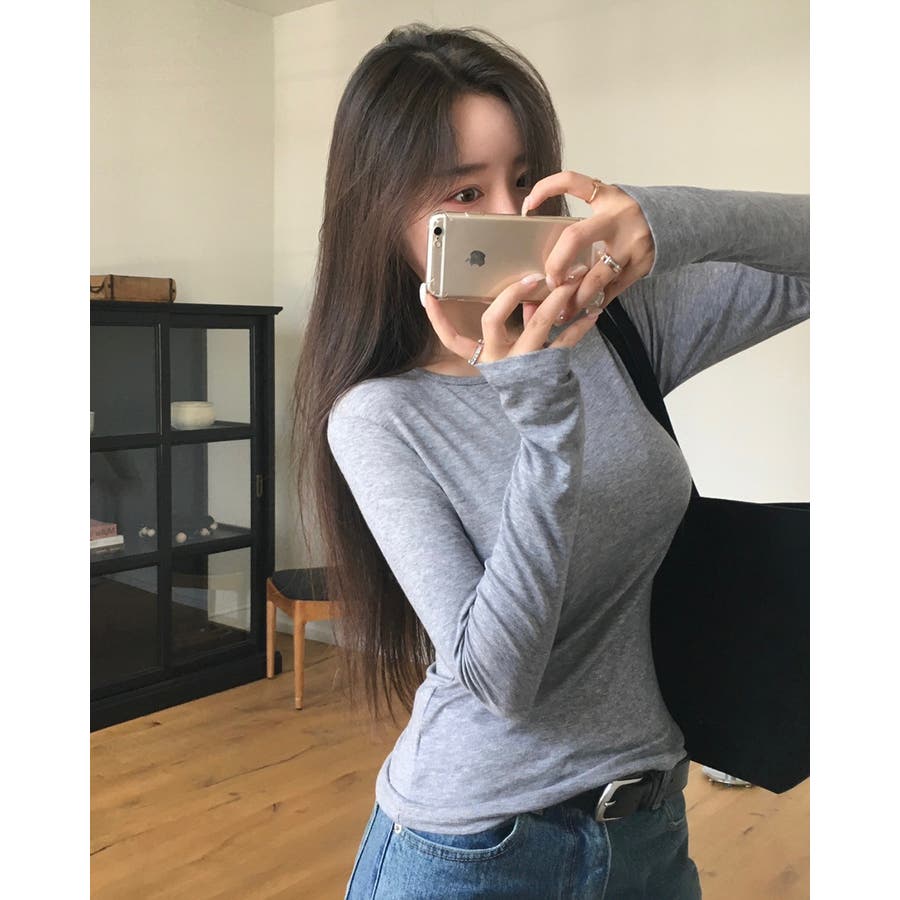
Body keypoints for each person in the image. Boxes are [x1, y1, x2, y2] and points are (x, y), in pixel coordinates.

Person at [291, 22, 809, 900]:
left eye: (526, 180)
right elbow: (501, 681)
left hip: (648, 824)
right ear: (383, 214)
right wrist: (541, 419)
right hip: (475, 850)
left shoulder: (615, 329)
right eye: (466, 190)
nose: (514, 219)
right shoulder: (379, 416)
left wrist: (661, 219)